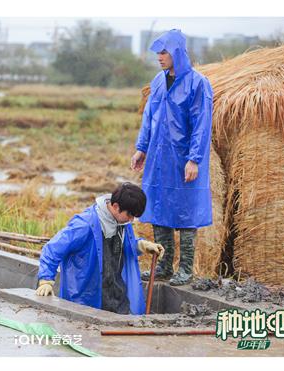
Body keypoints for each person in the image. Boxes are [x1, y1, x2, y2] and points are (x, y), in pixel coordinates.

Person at [131, 29, 214, 286]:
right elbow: (149, 117)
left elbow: (201, 123)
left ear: (177, 52)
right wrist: (141, 147)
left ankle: (186, 269)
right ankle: (164, 267)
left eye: (164, 52)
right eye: (158, 52)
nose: (159, 57)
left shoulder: (198, 83)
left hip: (183, 159)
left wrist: (194, 159)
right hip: (158, 157)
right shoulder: (158, 81)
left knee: (186, 212)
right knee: (158, 209)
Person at [35, 183, 164, 315]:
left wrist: (142, 245)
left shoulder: (122, 222)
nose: (131, 220)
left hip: (116, 295)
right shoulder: (84, 225)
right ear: (115, 206)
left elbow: (124, 245)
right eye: (130, 215)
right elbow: (52, 249)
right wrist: (46, 280)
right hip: (86, 298)